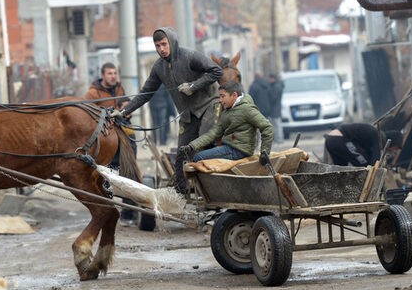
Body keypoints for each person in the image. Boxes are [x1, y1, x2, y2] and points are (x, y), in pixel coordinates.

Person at [114, 27, 223, 192]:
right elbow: (145, 94)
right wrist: (123, 112)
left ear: (172, 42)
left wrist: (194, 86)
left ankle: (212, 190)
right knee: (181, 155)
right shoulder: (159, 67)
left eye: (164, 44)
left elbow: (217, 71)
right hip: (188, 114)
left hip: (209, 106)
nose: (161, 49)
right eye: (157, 46)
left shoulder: (191, 56)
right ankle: (181, 194)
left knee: (201, 145)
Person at [85, 62, 137, 223]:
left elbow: (126, 107)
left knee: (128, 173)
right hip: (105, 140)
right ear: (103, 75)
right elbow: (87, 117)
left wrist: (125, 111)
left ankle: (129, 213)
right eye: (109, 73)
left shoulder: (119, 89)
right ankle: (107, 213)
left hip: (124, 136)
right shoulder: (92, 94)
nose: (113, 76)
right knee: (106, 175)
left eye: (115, 73)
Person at [178, 80, 273, 163]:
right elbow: (213, 133)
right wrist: (191, 146)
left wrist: (264, 152)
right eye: (220, 96)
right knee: (197, 154)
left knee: (198, 157)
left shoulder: (247, 109)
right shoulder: (228, 111)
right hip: (230, 147)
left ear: (234, 95)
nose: (220, 100)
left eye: (223, 96)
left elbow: (267, 127)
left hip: (238, 150)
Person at [268, 74, 284, 143]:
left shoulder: (276, 86)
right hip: (276, 107)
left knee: (277, 124)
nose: (269, 80)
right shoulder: (277, 85)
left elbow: (273, 98)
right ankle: (278, 139)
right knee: (276, 124)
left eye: (270, 79)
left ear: (273, 78)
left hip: (275, 108)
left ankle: (279, 139)